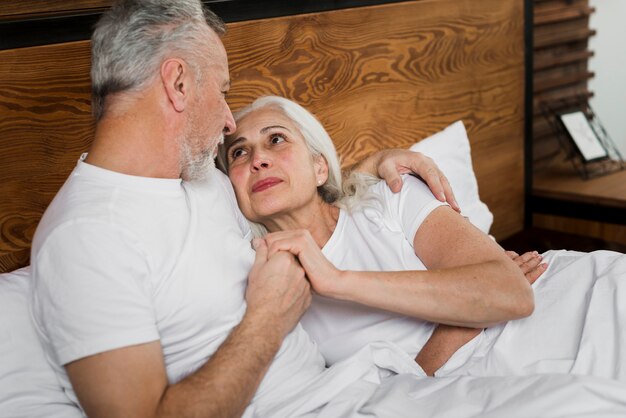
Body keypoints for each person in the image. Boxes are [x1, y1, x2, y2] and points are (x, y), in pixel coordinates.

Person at [29, 1, 459, 417]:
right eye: (221, 93)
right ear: (178, 83)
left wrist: (369, 169)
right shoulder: (86, 237)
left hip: (355, 392)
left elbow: (285, 194)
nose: (229, 122)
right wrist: (270, 317)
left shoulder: (205, 183)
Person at [218, 95, 544, 376]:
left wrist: (338, 280)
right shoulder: (268, 286)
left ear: (319, 168)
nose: (258, 159)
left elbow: (511, 293)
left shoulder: (389, 196)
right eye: (238, 153)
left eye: (276, 139)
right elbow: (384, 395)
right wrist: (464, 321)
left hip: (540, 316)